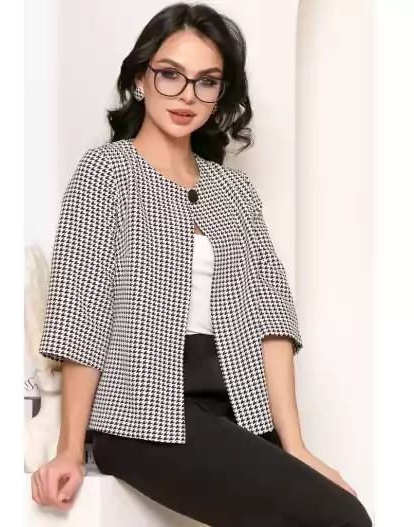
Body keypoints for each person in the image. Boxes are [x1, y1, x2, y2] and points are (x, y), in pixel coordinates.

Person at [30, 3, 372, 526]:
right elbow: (82, 310)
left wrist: (296, 447)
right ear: (140, 78)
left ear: (220, 95)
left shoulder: (234, 190)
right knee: (342, 520)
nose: (187, 95)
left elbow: (272, 317)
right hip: (142, 414)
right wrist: (70, 449)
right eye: (171, 74)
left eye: (207, 81)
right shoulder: (106, 172)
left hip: (235, 406)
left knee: (341, 510)